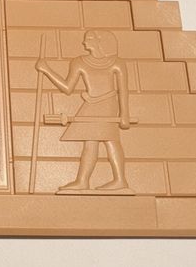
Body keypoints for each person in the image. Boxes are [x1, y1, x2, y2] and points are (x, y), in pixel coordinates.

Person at [35, 30, 131, 193]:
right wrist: (46, 70)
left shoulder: (117, 62)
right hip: (90, 104)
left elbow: (123, 90)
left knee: (111, 139)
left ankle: (120, 180)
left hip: (108, 103)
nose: (85, 42)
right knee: (90, 142)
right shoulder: (79, 62)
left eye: (89, 39)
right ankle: (83, 181)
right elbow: (67, 88)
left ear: (101, 41)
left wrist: (125, 114)